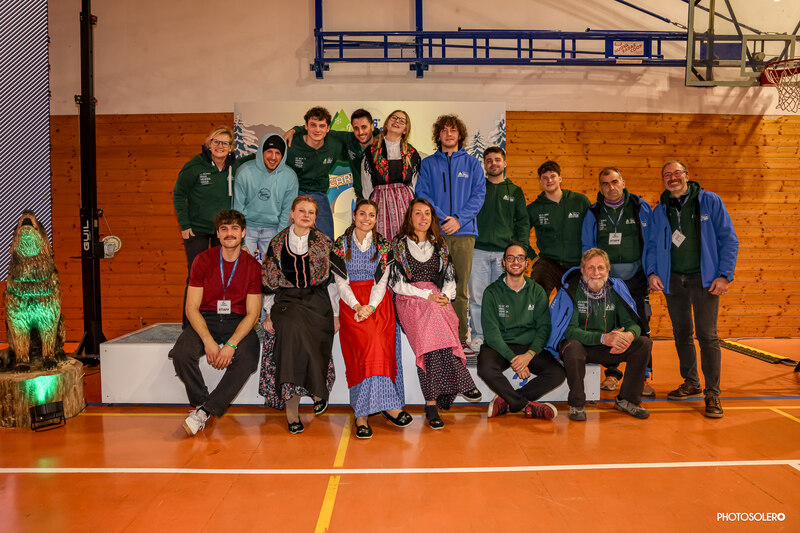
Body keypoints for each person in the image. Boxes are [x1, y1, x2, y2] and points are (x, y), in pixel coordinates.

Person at [647, 160, 738, 418]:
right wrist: (652, 272)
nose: (672, 178)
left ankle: (712, 393)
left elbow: (729, 239)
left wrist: (724, 275)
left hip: (704, 280)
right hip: (673, 280)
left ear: (687, 175)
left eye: (677, 173)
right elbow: (652, 244)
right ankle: (691, 382)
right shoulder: (659, 209)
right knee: (681, 333)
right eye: (667, 174)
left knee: (707, 336)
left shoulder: (709, 201)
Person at [390, 198, 482, 429]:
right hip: (409, 299)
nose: (423, 218)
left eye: (427, 213)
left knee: (431, 347)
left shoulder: (439, 244)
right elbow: (397, 283)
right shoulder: (399, 244)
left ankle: (431, 405)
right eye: (418, 213)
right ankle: (461, 377)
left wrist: (446, 295)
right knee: (435, 317)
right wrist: (427, 296)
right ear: (410, 217)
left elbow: (449, 276)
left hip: (435, 298)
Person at [169, 209, 261, 436]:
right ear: (217, 234)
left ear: (243, 233)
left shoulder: (252, 266)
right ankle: (203, 403)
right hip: (207, 318)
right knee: (181, 354)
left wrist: (230, 345)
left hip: (238, 320)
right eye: (224, 229)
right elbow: (191, 308)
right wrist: (208, 341)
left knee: (248, 358)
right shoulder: (202, 260)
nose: (229, 233)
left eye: (235, 228)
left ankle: (204, 412)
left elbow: (253, 314)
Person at [259, 196, 345, 434]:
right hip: (286, 300)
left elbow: (332, 283)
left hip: (317, 300)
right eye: (301, 211)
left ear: (315, 217)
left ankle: (318, 390)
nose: (306, 215)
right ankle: (293, 408)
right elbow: (269, 281)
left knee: (314, 330)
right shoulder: (277, 243)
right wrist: (268, 314)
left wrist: (335, 314)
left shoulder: (324, 243)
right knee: (291, 330)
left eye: (311, 212)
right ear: (292, 213)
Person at [333, 199, 412, 438]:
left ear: (376, 219)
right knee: (363, 353)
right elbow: (340, 283)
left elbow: (381, 282)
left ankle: (376, 408)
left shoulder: (384, 245)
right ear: (354, 215)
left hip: (378, 305)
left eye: (371, 215)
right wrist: (357, 305)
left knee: (378, 347)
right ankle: (364, 413)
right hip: (351, 305)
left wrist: (370, 306)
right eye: (362, 214)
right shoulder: (340, 244)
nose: (366, 218)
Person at [546, 248, 652, 422]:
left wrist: (629, 336)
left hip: (609, 347)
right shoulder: (571, 291)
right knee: (572, 346)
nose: (596, 273)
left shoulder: (616, 289)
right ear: (582, 270)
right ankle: (577, 403)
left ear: (608, 270)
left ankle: (627, 400)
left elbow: (632, 323)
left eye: (601, 268)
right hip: (583, 347)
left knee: (643, 343)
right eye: (591, 268)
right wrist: (603, 338)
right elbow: (569, 330)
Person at [416, 114, 486, 355]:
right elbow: (423, 194)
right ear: (438, 135)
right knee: (436, 286)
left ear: (460, 134)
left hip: (464, 233)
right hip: (437, 232)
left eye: (453, 130)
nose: (448, 134)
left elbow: (479, 195)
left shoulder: (473, 164)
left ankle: (460, 338)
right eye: (444, 130)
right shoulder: (428, 164)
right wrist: (444, 218)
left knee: (460, 288)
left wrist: (459, 219)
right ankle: (439, 338)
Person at [581, 167, 654, 396]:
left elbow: (652, 243)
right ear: (600, 187)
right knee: (608, 323)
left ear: (623, 182)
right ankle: (612, 375)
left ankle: (643, 377)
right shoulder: (594, 212)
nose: (610, 187)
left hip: (636, 277)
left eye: (614, 182)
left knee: (641, 324)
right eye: (605, 184)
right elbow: (587, 247)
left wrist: (652, 273)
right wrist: (592, 277)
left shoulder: (640, 207)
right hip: (606, 279)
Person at [173, 126, 254, 327]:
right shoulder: (194, 166)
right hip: (197, 230)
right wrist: (184, 223)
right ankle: (189, 325)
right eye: (216, 142)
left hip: (223, 231)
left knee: (221, 275)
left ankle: (215, 321)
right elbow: (178, 194)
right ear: (209, 144)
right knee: (195, 275)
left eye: (225, 143)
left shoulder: (235, 166)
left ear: (231, 147)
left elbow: (259, 156)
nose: (220, 146)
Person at [478, 242, 564, 420]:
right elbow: (492, 334)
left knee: (557, 373)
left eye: (520, 258)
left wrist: (529, 355)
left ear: (526, 263)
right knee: (485, 368)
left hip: (527, 346)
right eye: (510, 258)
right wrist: (514, 359)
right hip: (500, 347)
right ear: (504, 263)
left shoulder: (537, 291)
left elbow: (544, 328)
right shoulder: (492, 292)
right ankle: (524, 405)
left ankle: (508, 401)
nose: (515, 262)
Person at [469, 146, 530, 353]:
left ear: (505, 163)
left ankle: (503, 336)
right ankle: (479, 336)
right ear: (484, 165)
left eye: (497, 160)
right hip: (478, 250)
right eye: (488, 160)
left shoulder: (515, 191)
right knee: (478, 297)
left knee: (504, 296)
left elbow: (523, 222)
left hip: (506, 254)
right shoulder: (477, 189)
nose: (493, 163)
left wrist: (522, 249)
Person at [526, 160, 590, 298]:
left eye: (553, 176)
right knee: (536, 297)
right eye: (545, 178)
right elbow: (519, 234)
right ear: (540, 182)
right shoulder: (533, 208)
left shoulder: (580, 201)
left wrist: (589, 258)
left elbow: (593, 229)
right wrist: (532, 256)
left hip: (576, 264)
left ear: (560, 178)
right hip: (548, 262)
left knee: (577, 304)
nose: (549, 180)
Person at [282, 107, 348, 239]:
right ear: (306, 126)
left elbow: (356, 147)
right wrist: (295, 129)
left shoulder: (335, 145)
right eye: (313, 125)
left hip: (319, 193)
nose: (317, 130)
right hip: (295, 192)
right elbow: (266, 157)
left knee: (327, 238)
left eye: (322, 126)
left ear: (328, 128)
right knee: (286, 234)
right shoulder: (291, 144)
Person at [287, 108, 379, 200]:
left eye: (364, 127)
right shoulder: (349, 140)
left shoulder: (382, 143)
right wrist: (294, 130)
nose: (360, 132)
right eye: (356, 128)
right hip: (362, 197)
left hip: (382, 194)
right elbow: (316, 130)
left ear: (372, 126)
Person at [233, 134, 298, 260]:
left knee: (272, 266)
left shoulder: (290, 177)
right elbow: (237, 209)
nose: (273, 157)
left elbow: (287, 213)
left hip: (273, 229)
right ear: (261, 152)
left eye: (278, 153)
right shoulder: (244, 172)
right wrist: (242, 240)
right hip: (247, 227)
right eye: (269, 151)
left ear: (283, 155)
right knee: (245, 265)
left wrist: (279, 240)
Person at [360, 109, 421, 241]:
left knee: (405, 240)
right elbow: (366, 186)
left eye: (402, 121)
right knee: (382, 241)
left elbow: (414, 184)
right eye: (394, 118)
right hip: (380, 202)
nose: (397, 122)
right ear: (387, 123)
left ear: (405, 130)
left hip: (404, 203)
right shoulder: (371, 152)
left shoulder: (412, 153)